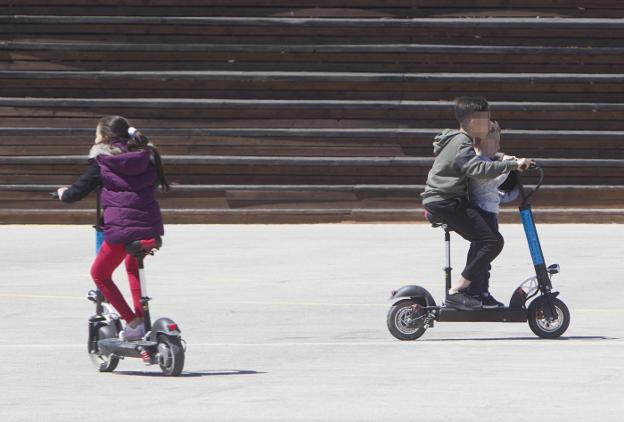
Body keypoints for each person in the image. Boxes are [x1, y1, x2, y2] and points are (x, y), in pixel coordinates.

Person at [56, 115, 169, 339]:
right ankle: (142, 321)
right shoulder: (146, 157)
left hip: (122, 232)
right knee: (132, 265)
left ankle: (134, 321)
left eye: (97, 134)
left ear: (105, 137)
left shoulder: (103, 162)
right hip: (151, 231)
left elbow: (73, 194)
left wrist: (61, 193)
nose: (95, 138)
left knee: (99, 274)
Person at [421, 97, 531, 310]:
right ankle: (457, 291)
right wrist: (510, 165)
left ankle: (477, 292)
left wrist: (503, 156)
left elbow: (480, 156)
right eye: (486, 119)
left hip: (445, 199)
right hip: (447, 201)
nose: (490, 124)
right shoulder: (462, 142)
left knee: (486, 240)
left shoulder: (460, 140)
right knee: (492, 242)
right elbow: (478, 169)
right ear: (473, 121)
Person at [466, 120, 518, 308]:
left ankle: (479, 290)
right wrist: (511, 165)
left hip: (489, 211)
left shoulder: (486, 161)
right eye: (496, 142)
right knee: (483, 254)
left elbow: (492, 189)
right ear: (483, 142)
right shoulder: (480, 162)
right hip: (483, 213)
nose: (499, 147)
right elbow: (491, 181)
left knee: (483, 257)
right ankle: (476, 292)